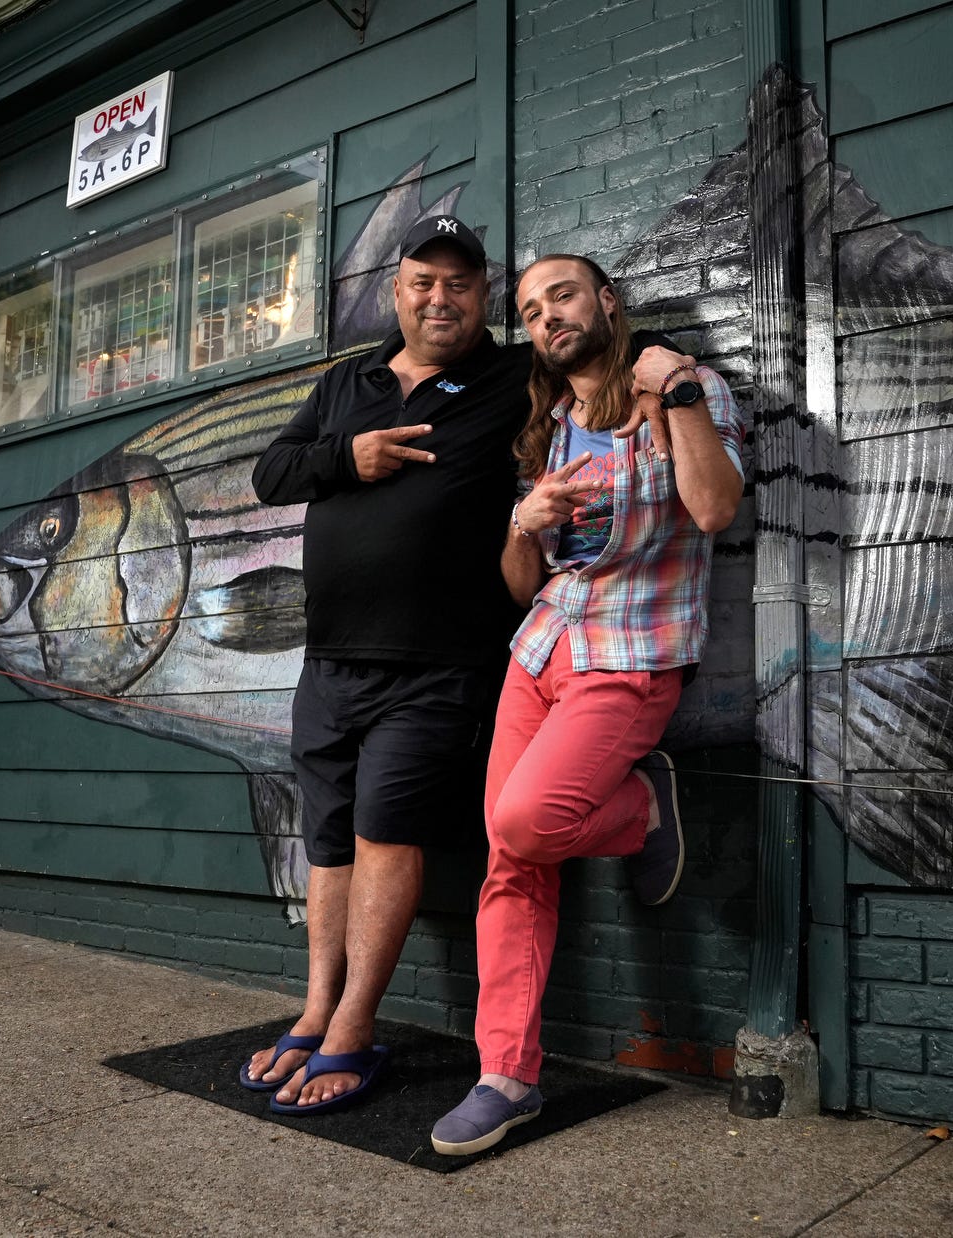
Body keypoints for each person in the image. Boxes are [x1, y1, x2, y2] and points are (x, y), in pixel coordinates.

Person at [430, 254, 746, 1155]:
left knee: (526, 823)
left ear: (607, 301)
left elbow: (716, 508)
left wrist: (677, 390)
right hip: (540, 654)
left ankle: (645, 807)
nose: (546, 318)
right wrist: (523, 522)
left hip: (631, 654)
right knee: (509, 856)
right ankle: (507, 1077)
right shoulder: (553, 428)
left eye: (561, 296)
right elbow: (523, 581)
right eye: (530, 311)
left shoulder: (686, 389)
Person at [246, 215, 530, 1114]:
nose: (439, 297)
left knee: (383, 834)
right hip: (329, 663)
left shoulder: (513, 376)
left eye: (459, 283)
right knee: (326, 843)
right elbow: (271, 473)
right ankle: (317, 1008)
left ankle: (354, 1031)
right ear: (398, 290)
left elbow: (606, 347)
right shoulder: (348, 384)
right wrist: (350, 455)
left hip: (437, 664)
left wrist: (664, 370)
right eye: (423, 281)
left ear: (483, 295)